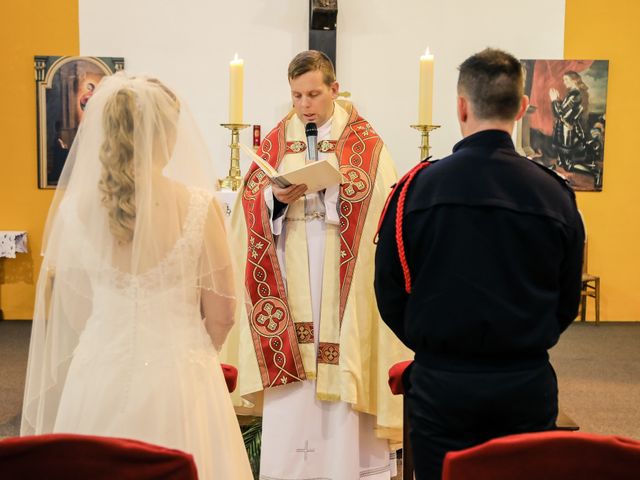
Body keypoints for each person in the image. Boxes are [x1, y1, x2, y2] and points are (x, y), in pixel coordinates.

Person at [21, 72, 253, 480]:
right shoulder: (199, 205)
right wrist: (192, 349)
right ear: (165, 134)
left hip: (98, 371)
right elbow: (222, 314)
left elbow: (73, 308)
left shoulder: (75, 209)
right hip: (180, 375)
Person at [374, 48, 585, 480]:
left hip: (442, 386)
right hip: (525, 383)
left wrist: (431, 347)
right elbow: (567, 301)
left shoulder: (415, 190)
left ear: (461, 106)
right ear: (523, 108)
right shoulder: (555, 194)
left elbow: (390, 293)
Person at [228, 50, 410, 479]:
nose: (305, 104)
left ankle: (347, 466)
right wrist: (274, 199)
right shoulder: (276, 140)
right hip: (292, 272)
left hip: (341, 275)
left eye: (313, 94)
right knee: (296, 377)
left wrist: (335, 195)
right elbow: (248, 203)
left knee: (342, 360)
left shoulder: (365, 142)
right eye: (296, 96)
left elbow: (384, 204)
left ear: (335, 88)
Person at [549, 70, 589, 171]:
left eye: (566, 79)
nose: (564, 82)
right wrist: (558, 100)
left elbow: (560, 113)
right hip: (566, 129)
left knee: (568, 165)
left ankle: (596, 173)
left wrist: (554, 100)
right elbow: (565, 111)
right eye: (563, 79)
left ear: (574, 80)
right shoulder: (573, 93)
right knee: (564, 163)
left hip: (569, 131)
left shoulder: (575, 95)